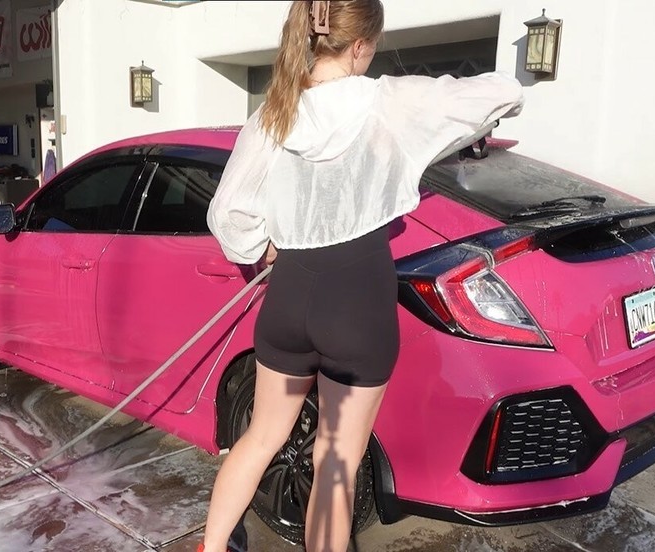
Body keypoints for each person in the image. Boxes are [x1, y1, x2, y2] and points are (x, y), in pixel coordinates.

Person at [201, 1, 524, 551]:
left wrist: (263, 246)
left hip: (289, 294)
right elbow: (503, 92)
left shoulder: (274, 112)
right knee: (335, 461)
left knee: (259, 438)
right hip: (357, 301)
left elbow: (226, 212)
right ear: (359, 46)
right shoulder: (388, 100)